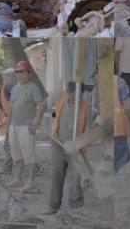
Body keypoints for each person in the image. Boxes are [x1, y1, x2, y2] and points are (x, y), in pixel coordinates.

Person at [43, 82, 88, 214]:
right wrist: (41, 121)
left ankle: (76, 208)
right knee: (57, 173)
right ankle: (53, 206)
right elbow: (50, 112)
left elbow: (90, 132)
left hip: (76, 148)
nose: (76, 97)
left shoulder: (86, 107)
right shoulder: (60, 100)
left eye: (79, 94)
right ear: (68, 92)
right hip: (58, 143)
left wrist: (76, 144)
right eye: (73, 94)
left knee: (77, 177)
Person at [8, 60, 46, 191]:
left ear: (28, 73)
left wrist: (37, 120)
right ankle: (18, 178)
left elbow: (40, 104)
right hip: (14, 125)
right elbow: (11, 107)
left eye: (22, 72)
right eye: (18, 72)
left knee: (29, 154)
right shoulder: (14, 89)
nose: (20, 75)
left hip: (27, 126)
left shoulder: (33, 87)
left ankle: (30, 181)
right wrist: (8, 126)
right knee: (16, 154)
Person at [114, 75, 130, 173]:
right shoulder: (119, 81)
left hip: (104, 128)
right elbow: (128, 107)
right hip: (118, 127)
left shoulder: (99, 82)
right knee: (120, 163)